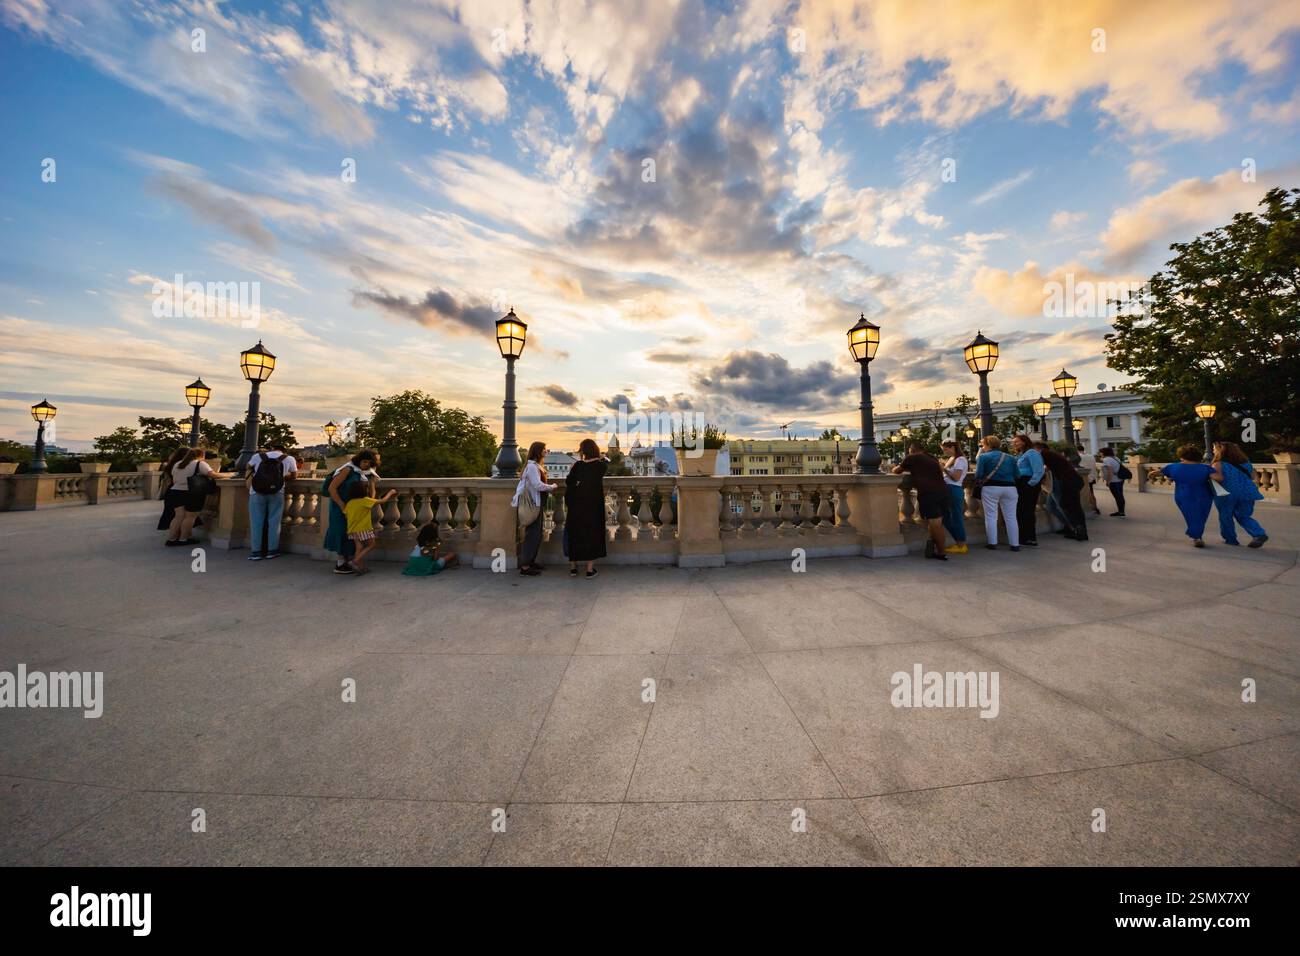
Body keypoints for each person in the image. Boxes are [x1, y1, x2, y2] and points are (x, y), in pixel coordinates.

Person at [324, 449, 380, 574]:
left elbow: (372, 490)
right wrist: (342, 505)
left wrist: (369, 502)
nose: (366, 464)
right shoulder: (347, 469)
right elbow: (332, 488)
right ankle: (341, 563)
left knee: (353, 535)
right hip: (340, 506)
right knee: (341, 531)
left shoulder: (369, 473)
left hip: (356, 509)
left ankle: (350, 562)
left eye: (369, 463)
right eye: (364, 461)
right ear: (359, 460)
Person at [892, 442, 949, 560]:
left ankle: (942, 552)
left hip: (928, 493)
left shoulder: (912, 458)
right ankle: (933, 546)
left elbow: (896, 471)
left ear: (912, 450)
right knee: (936, 523)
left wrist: (899, 466)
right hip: (943, 491)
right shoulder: (932, 457)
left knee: (935, 524)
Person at [245, 441, 297, 560]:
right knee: (274, 522)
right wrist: (281, 477)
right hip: (277, 491)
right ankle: (272, 551)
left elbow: (248, 467)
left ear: (271, 448)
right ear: (283, 450)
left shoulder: (257, 456)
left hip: (256, 492)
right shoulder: (289, 458)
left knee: (256, 522)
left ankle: (256, 552)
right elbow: (294, 476)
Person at [564, 438, 609, 577]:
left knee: (575, 534)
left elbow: (568, 481)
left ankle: (573, 568)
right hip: (593, 506)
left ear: (582, 451)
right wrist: (601, 456)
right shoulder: (600, 466)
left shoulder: (577, 465)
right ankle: (589, 570)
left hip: (576, 506)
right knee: (592, 535)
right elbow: (607, 461)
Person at [1210, 441, 1268, 548]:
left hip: (1227, 493)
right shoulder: (1247, 463)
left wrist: (1209, 474)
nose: (1213, 451)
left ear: (1220, 450)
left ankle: (1231, 539)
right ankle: (1259, 533)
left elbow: (1219, 478)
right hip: (1247, 492)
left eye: (1214, 449)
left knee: (1225, 516)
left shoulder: (1218, 464)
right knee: (1244, 516)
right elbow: (1253, 477)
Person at [513, 441, 556, 576]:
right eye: (544, 449)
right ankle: (525, 566)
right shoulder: (532, 467)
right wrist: (552, 487)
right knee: (532, 535)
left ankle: (530, 561)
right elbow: (537, 485)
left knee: (536, 534)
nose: (546, 451)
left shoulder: (535, 465)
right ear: (538, 451)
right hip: (533, 505)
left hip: (536, 504)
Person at [1159, 444, 1215, 547]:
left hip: (1183, 495)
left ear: (1182, 456)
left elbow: (1161, 473)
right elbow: (1218, 478)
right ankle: (1197, 536)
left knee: (1191, 516)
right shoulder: (1206, 468)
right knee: (1201, 516)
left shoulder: (1173, 467)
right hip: (1204, 495)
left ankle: (1197, 537)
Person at [974, 435, 1019, 550]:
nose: (982, 447)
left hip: (991, 488)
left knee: (991, 516)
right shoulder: (1010, 458)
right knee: (1011, 517)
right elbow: (1017, 475)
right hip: (1010, 488)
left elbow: (978, 475)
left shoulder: (983, 457)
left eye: (983, 444)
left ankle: (992, 543)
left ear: (988, 445)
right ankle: (1015, 544)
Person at [1035, 441, 1088, 540]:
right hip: (1071, 481)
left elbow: (1038, 469)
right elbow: (1046, 468)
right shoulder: (1051, 455)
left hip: (1067, 483)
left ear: (1038, 448)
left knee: (1067, 507)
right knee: (1052, 506)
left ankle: (1078, 530)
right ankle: (1071, 527)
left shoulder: (1043, 454)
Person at [343, 481, 396, 575]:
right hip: (363, 528)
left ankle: (360, 568)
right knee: (371, 545)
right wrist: (391, 492)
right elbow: (383, 501)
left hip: (352, 529)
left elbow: (346, 515)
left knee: (359, 547)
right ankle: (355, 561)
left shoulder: (350, 503)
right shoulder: (365, 501)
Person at [165, 448, 214, 546]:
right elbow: (213, 474)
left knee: (178, 516)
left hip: (176, 491)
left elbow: (174, 479)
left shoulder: (178, 464)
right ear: (201, 455)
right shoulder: (200, 464)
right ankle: (183, 539)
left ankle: (171, 539)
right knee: (190, 517)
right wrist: (230, 474)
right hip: (192, 492)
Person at [1010, 434, 1044, 546]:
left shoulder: (1032, 453)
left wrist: (1030, 484)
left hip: (1028, 484)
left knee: (1027, 510)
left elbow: (1039, 470)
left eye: (1016, 442)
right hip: (1021, 484)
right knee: (1020, 510)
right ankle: (1023, 536)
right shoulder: (1021, 454)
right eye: (1013, 442)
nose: (1014, 444)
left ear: (1024, 442)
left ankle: (1030, 538)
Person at [939, 440, 968, 554]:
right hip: (949, 489)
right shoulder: (952, 459)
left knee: (956, 517)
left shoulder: (960, 459)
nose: (945, 452)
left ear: (952, 447)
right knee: (946, 517)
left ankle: (961, 544)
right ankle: (959, 541)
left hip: (954, 488)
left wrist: (943, 468)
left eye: (945, 449)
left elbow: (956, 477)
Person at [157, 446, 191, 533]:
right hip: (178, 490)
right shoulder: (181, 466)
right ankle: (176, 537)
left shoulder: (171, 465)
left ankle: (176, 536)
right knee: (180, 516)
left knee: (173, 515)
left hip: (171, 491)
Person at [1100, 446, 1126, 516]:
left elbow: (1110, 472)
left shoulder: (1106, 460)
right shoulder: (1116, 458)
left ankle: (1120, 512)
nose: (1100, 454)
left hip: (1114, 481)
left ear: (1104, 453)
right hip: (1120, 479)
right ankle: (1122, 511)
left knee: (1117, 496)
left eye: (1101, 452)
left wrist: (1108, 482)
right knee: (1120, 495)